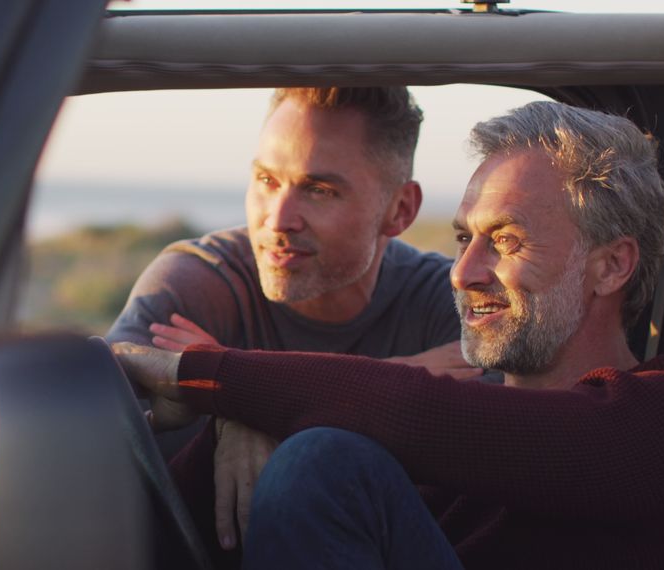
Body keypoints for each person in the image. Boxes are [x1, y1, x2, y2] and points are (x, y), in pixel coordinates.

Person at [114, 101, 664, 569]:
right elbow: (179, 535)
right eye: (463, 239)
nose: (464, 272)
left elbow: (443, 416)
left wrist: (217, 379)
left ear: (612, 264)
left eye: (505, 240)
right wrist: (239, 421)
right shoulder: (442, 465)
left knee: (326, 462)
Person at [106, 87, 486, 558]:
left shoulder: (448, 304)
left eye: (319, 190)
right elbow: (87, 430)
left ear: (400, 210)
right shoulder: (198, 284)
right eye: (266, 180)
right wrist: (245, 405)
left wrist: (244, 392)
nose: (278, 219)